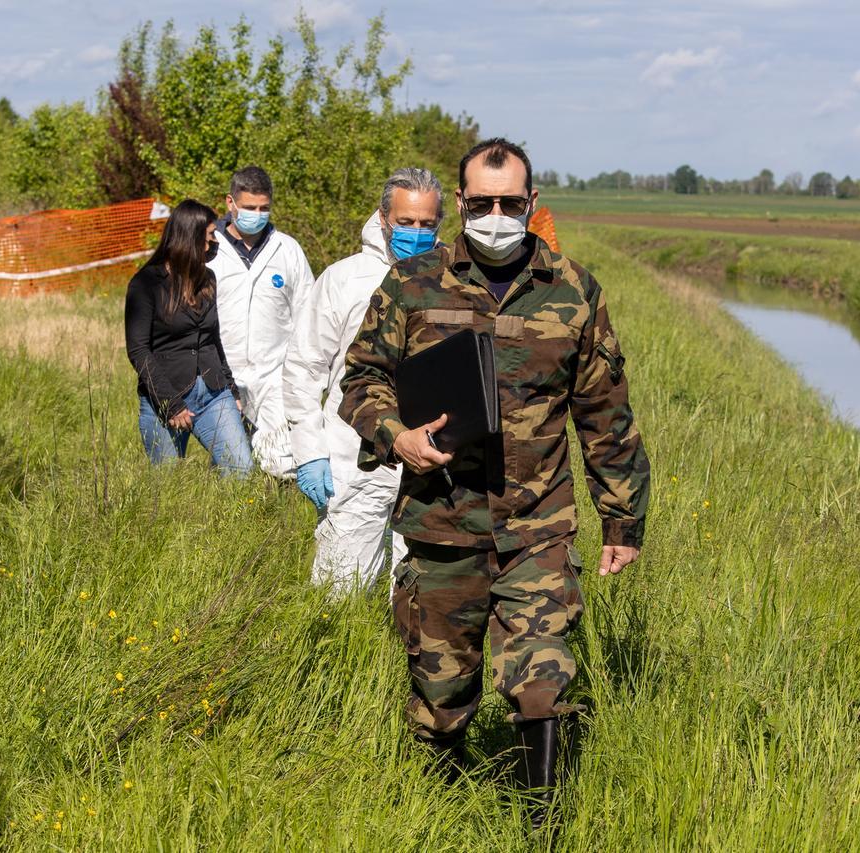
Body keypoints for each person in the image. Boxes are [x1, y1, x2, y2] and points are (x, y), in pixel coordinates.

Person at [338, 138, 650, 832]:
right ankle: (441, 816)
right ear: (461, 204)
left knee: (542, 682)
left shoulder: (572, 290)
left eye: (511, 203)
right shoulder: (412, 284)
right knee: (441, 696)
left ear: (533, 203)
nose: (497, 217)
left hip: (538, 527)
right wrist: (396, 435)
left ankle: (544, 825)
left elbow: (606, 414)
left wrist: (622, 521)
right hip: (441, 522)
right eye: (482, 204)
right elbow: (361, 379)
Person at [283, 168, 444, 594]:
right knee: (340, 589)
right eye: (406, 221)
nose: (416, 232)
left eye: (427, 223)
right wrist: (309, 452)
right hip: (353, 456)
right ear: (384, 216)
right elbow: (304, 368)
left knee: (419, 594)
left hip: (429, 459)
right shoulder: (345, 279)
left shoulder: (453, 281)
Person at [125, 199, 253, 476]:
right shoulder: (146, 284)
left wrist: (231, 391)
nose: (214, 243)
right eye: (210, 236)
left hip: (213, 392)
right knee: (168, 484)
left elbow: (213, 339)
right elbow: (138, 350)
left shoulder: (208, 279)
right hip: (165, 398)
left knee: (240, 470)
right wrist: (170, 404)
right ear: (190, 239)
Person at [209, 165, 315, 478]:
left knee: (282, 462)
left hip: (275, 373)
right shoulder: (210, 250)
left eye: (264, 208)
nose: (257, 215)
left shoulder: (287, 249)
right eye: (249, 208)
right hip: (220, 371)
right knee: (230, 463)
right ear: (230, 203)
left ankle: (276, 504)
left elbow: (307, 312)